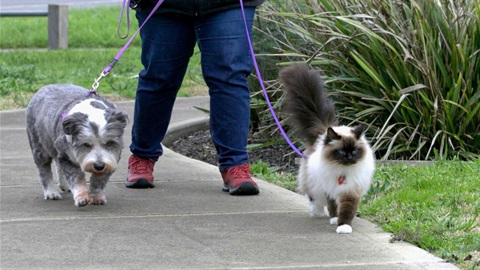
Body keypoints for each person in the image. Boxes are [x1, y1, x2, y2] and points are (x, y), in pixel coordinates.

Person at [125, 0, 264, 196]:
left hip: (229, 4)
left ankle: (235, 164)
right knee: (159, 77)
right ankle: (142, 156)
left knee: (230, 76)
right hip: (164, 5)